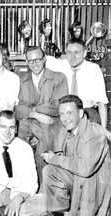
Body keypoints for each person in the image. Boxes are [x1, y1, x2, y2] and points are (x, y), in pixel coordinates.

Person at [20, 95, 111, 216]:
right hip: (77, 182)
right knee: (49, 170)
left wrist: (55, 159)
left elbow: (85, 168)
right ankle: (60, 211)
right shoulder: (67, 131)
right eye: (61, 114)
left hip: (93, 188)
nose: (65, 118)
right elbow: (63, 159)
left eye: (69, 113)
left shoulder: (94, 132)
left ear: (80, 113)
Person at [15, 46, 68, 184]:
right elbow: (16, 107)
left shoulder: (59, 77)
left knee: (43, 150)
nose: (35, 63)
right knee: (17, 143)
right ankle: (22, 185)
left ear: (44, 59)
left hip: (50, 123)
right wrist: (36, 114)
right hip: (30, 122)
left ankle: (44, 187)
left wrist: (32, 109)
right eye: (31, 60)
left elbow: (58, 106)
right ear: (26, 62)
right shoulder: (20, 80)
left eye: (38, 59)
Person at [46, 38, 109, 128]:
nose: (72, 57)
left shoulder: (94, 69)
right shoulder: (61, 65)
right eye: (69, 53)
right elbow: (37, 56)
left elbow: (102, 101)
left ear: (84, 53)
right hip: (65, 111)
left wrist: (103, 129)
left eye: (76, 52)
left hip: (87, 111)